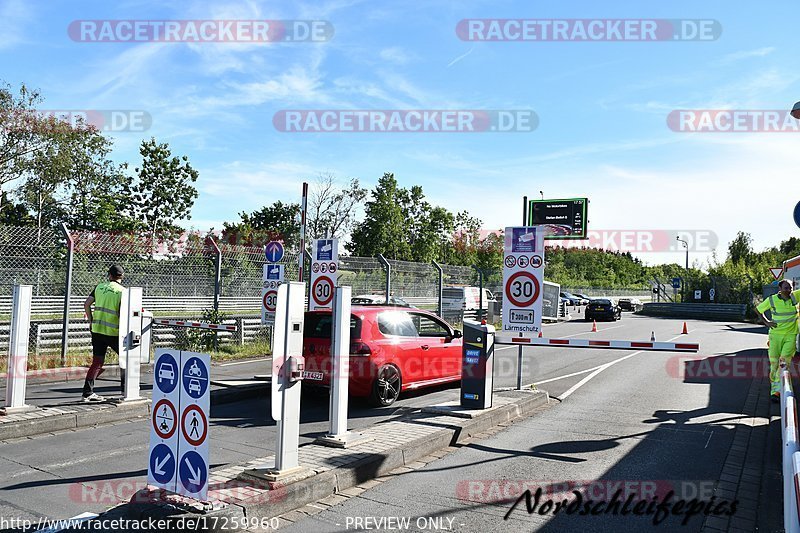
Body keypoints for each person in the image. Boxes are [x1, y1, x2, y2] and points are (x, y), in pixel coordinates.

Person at [81, 265, 125, 402]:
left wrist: (91, 321)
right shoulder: (123, 291)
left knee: (97, 362)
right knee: (126, 360)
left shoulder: (99, 287)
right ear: (121, 277)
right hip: (114, 332)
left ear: (109, 275)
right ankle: (125, 391)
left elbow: (86, 304)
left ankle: (87, 393)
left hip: (97, 330)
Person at [755, 279, 800, 402]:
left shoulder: (795, 296)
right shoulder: (772, 299)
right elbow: (758, 310)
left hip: (790, 335)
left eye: (790, 288)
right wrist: (766, 322)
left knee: (784, 360)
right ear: (780, 289)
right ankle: (775, 391)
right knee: (774, 363)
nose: (789, 290)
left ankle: (781, 389)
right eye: (786, 288)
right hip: (775, 336)